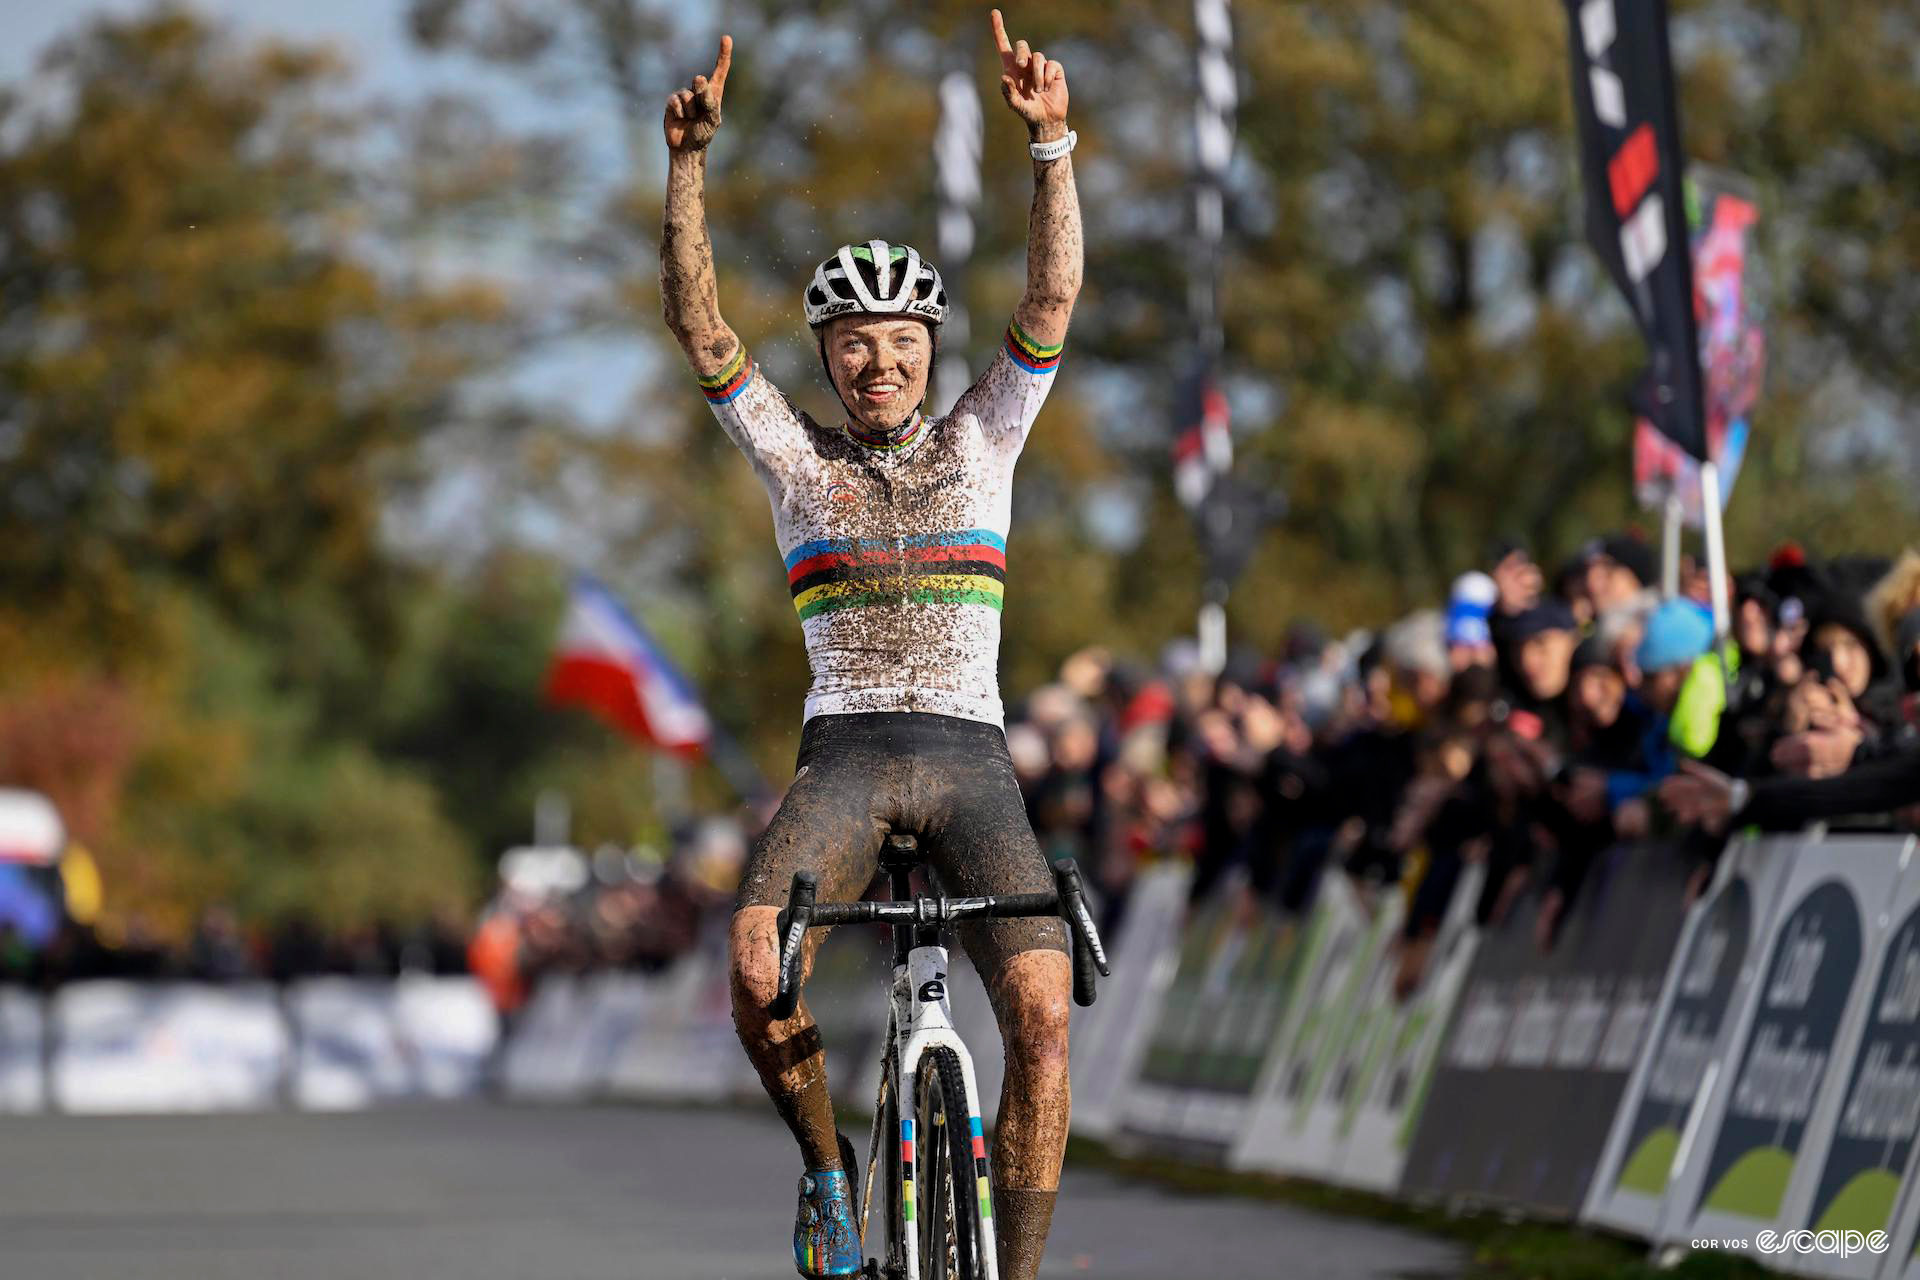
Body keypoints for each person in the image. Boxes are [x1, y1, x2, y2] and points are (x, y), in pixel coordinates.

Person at [658, 13, 1083, 1278]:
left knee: (1047, 1023)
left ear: (929, 352)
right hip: (846, 753)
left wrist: (1050, 144)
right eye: (857, 344)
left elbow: (1052, 293)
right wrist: (687, 166)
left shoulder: (987, 436)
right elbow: (700, 326)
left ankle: (1022, 1269)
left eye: (903, 342)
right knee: (753, 959)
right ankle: (831, 1182)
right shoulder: (797, 458)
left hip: (970, 758)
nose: (881, 361)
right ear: (831, 359)